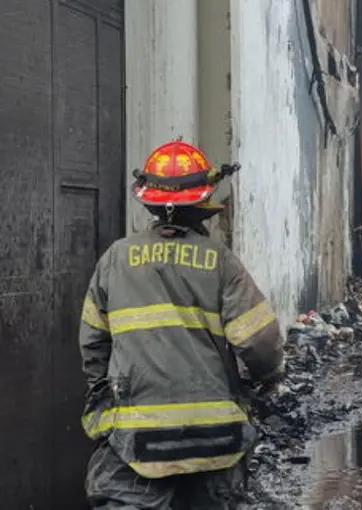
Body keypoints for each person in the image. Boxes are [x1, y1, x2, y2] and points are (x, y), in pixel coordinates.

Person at [79, 139, 285, 509]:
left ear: (148, 200)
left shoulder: (115, 260)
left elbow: (93, 346)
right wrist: (267, 378)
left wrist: (106, 403)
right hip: (215, 440)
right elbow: (260, 343)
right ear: (201, 205)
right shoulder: (221, 261)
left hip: (137, 442)